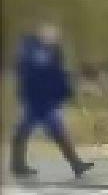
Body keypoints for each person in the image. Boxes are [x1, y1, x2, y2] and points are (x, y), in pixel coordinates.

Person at [11, 22, 92, 180]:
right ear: (41, 33)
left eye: (54, 35)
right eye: (50, 34)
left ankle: (76, 165)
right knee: (38, 130)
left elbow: (56, 74)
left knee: (28, 130)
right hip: (36, 99)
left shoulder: (50, 51)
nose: (53, 37)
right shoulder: (31, 49)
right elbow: (31, 71)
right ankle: (76, 165)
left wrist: (65, 87)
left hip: (43, 100)